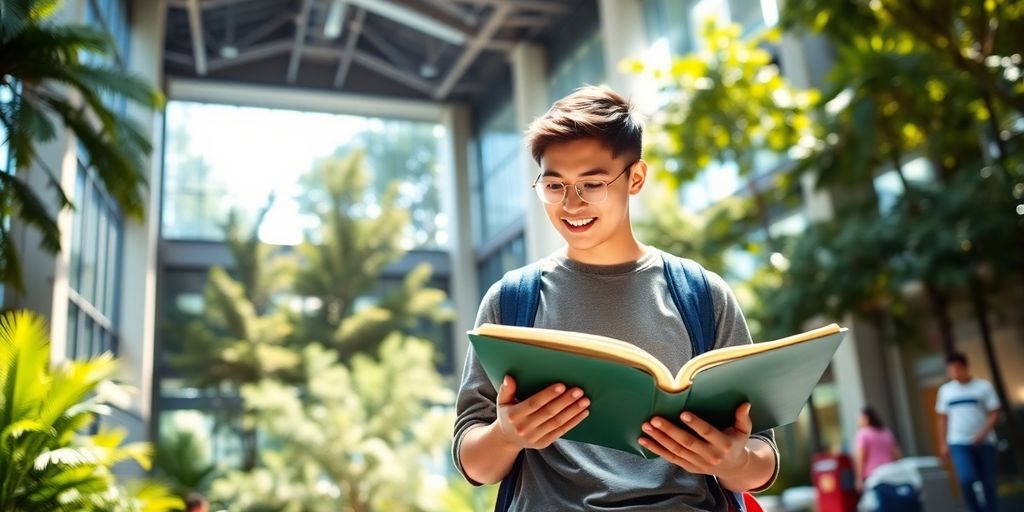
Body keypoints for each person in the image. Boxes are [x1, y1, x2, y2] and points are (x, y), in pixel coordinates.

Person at [453, 85, 778, 511]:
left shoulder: (700, 294)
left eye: (592, 184)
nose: (571, 204)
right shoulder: (513, 301)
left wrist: (733, 460)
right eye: (554, 185)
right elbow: (472, 461)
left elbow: (764, 459)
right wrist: (507, 435)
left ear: (636, 178)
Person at [936, 352, 1000, 512]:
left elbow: (994, 413)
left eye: (957, 369)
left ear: (965, 367)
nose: (954, 374)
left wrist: (983, 433)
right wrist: (943, 442)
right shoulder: (945, 391)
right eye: (950, 371)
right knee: (965, 479)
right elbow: (942, 418)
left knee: (988, 482)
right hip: (958, 442)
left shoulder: (983, 387)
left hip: (984, 442)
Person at [854, 406, 902, 491]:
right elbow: (897, 454)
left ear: (866, 419)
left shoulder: (863, 434)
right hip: (890, 472)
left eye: (860, 418)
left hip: (873, 476)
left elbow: (861, 458)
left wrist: (859, 479)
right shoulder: (886, 432)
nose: (858, 421)